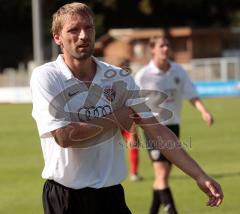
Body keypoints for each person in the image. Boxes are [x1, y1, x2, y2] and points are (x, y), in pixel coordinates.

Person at [30, 2, 223, 214]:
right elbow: (65, 137)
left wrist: (199, 175)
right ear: (57, 37)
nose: (83, 35)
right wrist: (116, 118)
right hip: (66, 198)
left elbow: (157, 130)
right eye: (74, 30)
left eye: (89, 28)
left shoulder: (118, 77)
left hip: (111, 196)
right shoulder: (47, 77)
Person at [134, 36, 214, 214]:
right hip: (153, 129)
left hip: (173, 127)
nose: (165, 48)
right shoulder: (143, 75)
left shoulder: (178, 70)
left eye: (167, 45)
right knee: (162, 176)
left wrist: (203, 111)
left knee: (161, 178)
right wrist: (132, 131)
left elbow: (191, 93)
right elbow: (132, 103)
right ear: (153, 49)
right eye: (161, 45)